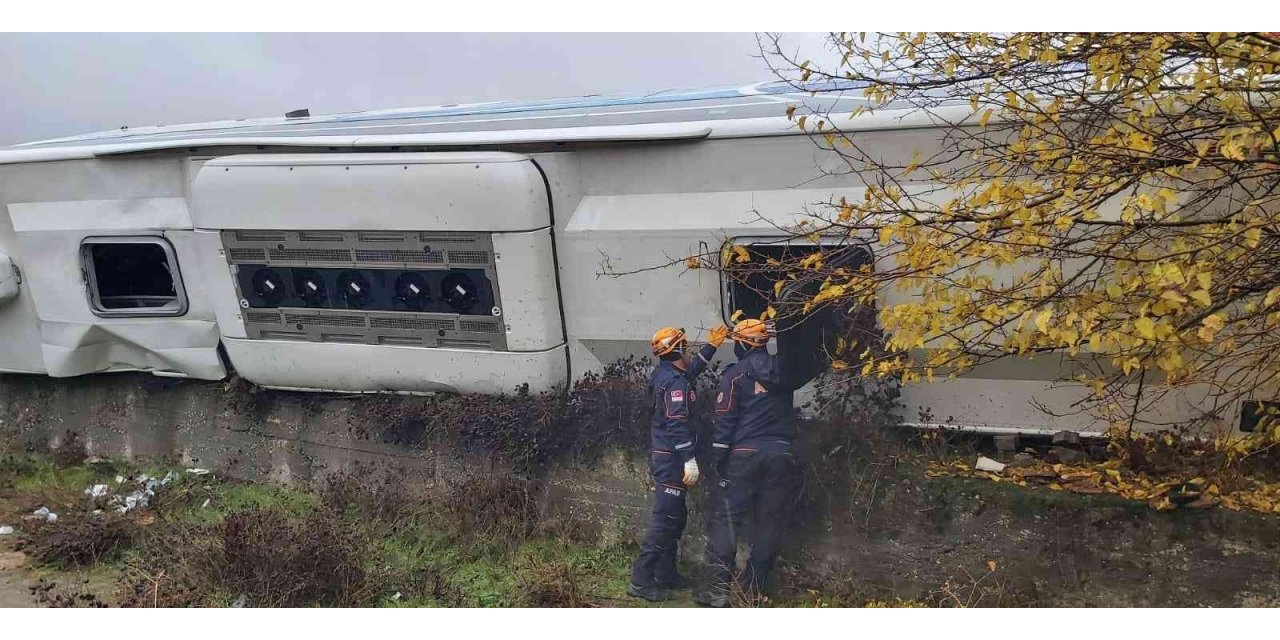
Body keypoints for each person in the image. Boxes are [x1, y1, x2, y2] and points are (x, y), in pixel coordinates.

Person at [695, 318, 800, 608]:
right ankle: (752, 590)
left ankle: (717, 592)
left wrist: (716, 462)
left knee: (727, 519)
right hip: (781, 455)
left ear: (742, 344)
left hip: (743, 457)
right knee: (770, 522)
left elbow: (725, 421)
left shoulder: (736, 375)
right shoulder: (784, 372)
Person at [627, 323, 729, 602]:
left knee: (675, 518)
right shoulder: (673, 382)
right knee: (664, 520)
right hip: (672, 461)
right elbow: (676, 424)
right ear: (677, 350)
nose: (689, 350)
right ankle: (641, 580)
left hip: (669, 458)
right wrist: (689, 461)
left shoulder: (670, 374)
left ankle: (666, 573)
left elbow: (691, 371)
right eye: (685, 347)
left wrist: (712, 346)